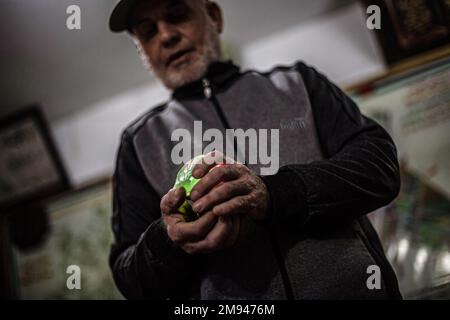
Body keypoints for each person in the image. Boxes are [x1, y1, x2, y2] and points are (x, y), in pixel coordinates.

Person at [108, 0, 402, 300]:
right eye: (147, 32)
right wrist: (168, 241)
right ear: (143, 53)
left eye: (177, 15)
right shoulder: (138, 143)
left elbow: (379, 166)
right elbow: (129, 277)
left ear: (213, 16)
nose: (166, 36)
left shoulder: (297, 83)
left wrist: (274, 193)